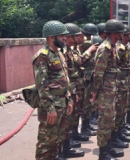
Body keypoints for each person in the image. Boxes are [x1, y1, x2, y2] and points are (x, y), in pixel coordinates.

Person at [32, 20, 73, 160]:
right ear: (51, 37)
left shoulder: (60, 54)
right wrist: (50, 109)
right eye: (62, 36)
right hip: (51, 106)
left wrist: (69, 99)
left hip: (62, 103)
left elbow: (65, 79)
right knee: (46, 142)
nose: (65, 38)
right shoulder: (42, 56)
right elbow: (42, 86)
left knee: (57, 140)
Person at [90, 19, 125, 160]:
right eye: (121, 31)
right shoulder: (105, 48)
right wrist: (95, 92)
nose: (123, 33)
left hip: (111, 89)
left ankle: (108, 147)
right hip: (105, 90)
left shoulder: (112, 46)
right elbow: (99, 72)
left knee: (111, 120)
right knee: (105, 121)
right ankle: (103, 153)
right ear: (115, 33)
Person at [63, 23, 98, 158]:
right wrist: (89, 52)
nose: (80, 37)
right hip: (71, 87)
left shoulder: (73, 48)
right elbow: (78, 62)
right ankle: (67, 144)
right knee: (70, 116)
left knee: (76, 112)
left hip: (77, 85)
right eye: (77, 35)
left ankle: (74, 136)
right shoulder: (66, 50)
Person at [111, 26, 130, 147]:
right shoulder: (119, 48)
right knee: (118, 110)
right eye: (129, 34)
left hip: (123, 82)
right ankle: (115, 137)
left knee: (122, 109)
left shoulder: (123, 47)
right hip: (118, 84)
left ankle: (120, 132)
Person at [79, 23, 99, 136]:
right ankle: (84, 128)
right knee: (86, 104)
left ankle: (86, 126)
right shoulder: (86, 45)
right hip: (85, 77)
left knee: (88, 103)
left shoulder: (84, 45)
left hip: (88, 76)